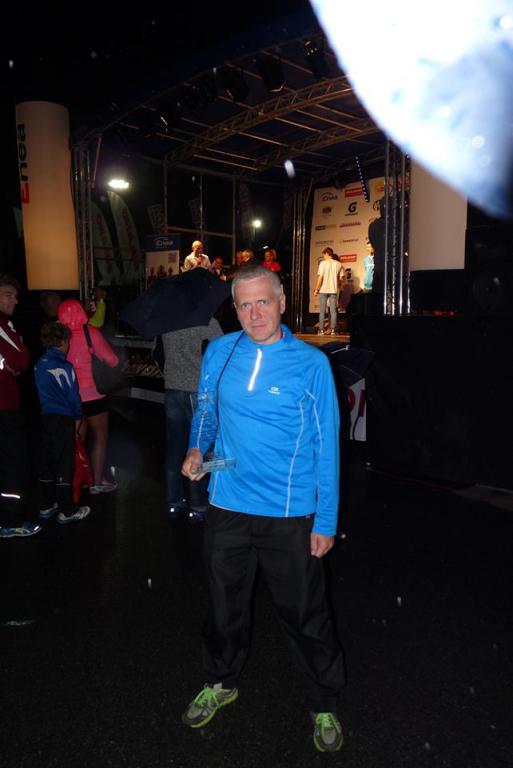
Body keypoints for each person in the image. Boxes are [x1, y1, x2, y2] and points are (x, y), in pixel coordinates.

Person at [181, 264, 345, 753]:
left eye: (263, 302)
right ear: (234, 308)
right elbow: (206, 409)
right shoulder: (220, 351)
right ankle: (220, 680)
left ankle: (323, 701)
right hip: (228, 504)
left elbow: (327, 447)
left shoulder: (311, 365)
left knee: (305, 613)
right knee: (223, 606)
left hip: (289, 513)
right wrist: (197, 448)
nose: (255, 314)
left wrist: (326, 520)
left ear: (282, 303)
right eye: (245, 304)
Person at [162, 318, 223, 523]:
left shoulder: (165, 320)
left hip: (171, 389)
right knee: (198, 447)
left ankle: (173, 502)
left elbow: (157, 353)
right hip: (196, 388)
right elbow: (223, 347)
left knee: (174, 447)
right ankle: (197, 506)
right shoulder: (204, 319)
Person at [57, 299, 119, 495]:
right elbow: (113, 360)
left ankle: (78, 480)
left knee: (77, 441)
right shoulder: (90, 333)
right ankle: (97, 482)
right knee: (100, 438)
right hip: (94, 395)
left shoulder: (59, 338)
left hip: (70, 397)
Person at [34, 321, 91, 524]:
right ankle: (67, 510)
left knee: (47, 461)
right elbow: (73, 397)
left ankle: (46, 505)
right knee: (64, 464)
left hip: (45, 418)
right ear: (62, 342)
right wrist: (77, 418)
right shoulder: (65, 367)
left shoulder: (39, 364)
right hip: (64, 419)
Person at [0, 274, 41, 538]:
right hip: (4, 407)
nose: (15, 300)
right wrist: (8, 365)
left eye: (15, 295)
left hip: (7, 404)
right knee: (12, 462)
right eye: (8, 295)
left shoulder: (7, 324)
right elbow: (22, 358)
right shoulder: (3, 325)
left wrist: (9, 364)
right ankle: (10, 522)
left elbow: (17, 360)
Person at [314, 247, 342, 335]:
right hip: (333, 290)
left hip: (323, 290)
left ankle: (321, 330)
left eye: (324, 255)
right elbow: (340, 279)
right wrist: (336, 286)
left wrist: (317, 289)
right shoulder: (338, 264)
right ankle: (333, 330)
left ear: (326, 254)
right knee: (333, 311)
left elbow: (320, 277)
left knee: (322, 311)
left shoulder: (323, 263)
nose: (323, 257)